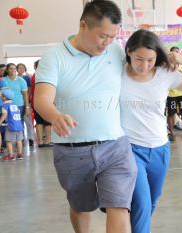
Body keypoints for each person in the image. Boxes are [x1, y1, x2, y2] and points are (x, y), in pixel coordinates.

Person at [34, 1, 137, 233]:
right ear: (83, 25)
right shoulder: (54, 56)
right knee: (81, 206)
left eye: (112, 37)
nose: (107, 43)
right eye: (103, 36)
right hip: (72, 151)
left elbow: (142, 68)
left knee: (119, 206)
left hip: (115, 147)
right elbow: (41, 99)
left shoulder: (116, 51)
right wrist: (55, 116)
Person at [120, 29, 182, 233]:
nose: (145, 65)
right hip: (130, 148)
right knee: (141, 202)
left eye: (150, 60)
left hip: (160, 148)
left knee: (152, 201)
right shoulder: (118, 72)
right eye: (139, 59)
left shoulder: (165, 74)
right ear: (129, 51)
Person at [30, 60, 53, 147]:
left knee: (39, 122)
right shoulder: (43, 75)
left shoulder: (34, 76)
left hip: (35, 102)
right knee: (47, 122)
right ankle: (47, 141)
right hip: (45, 102)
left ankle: (40, 142)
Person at [0, 89, 24, 161]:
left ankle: (11, 155)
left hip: (11, 126)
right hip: (19, 125)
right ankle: (19, 154)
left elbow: (4, 114)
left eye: (1, 96)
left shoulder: (5, 105)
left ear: (4, 97)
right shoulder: (15, 104)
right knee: (19, 140)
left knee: (8, 141)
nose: (0, 97)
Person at [17, 63, 35, 146]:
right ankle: (22, 138)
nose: (21, 69)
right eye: (19, 68)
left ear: (25, 69)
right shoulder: (14, 78)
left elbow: (29, 90)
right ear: (17, 69)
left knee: (28, 121)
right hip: (18, 103)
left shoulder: (27, 78)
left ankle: (31, 138)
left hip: (26, 102)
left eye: (23, 68)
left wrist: (28, 101)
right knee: (20, 121)